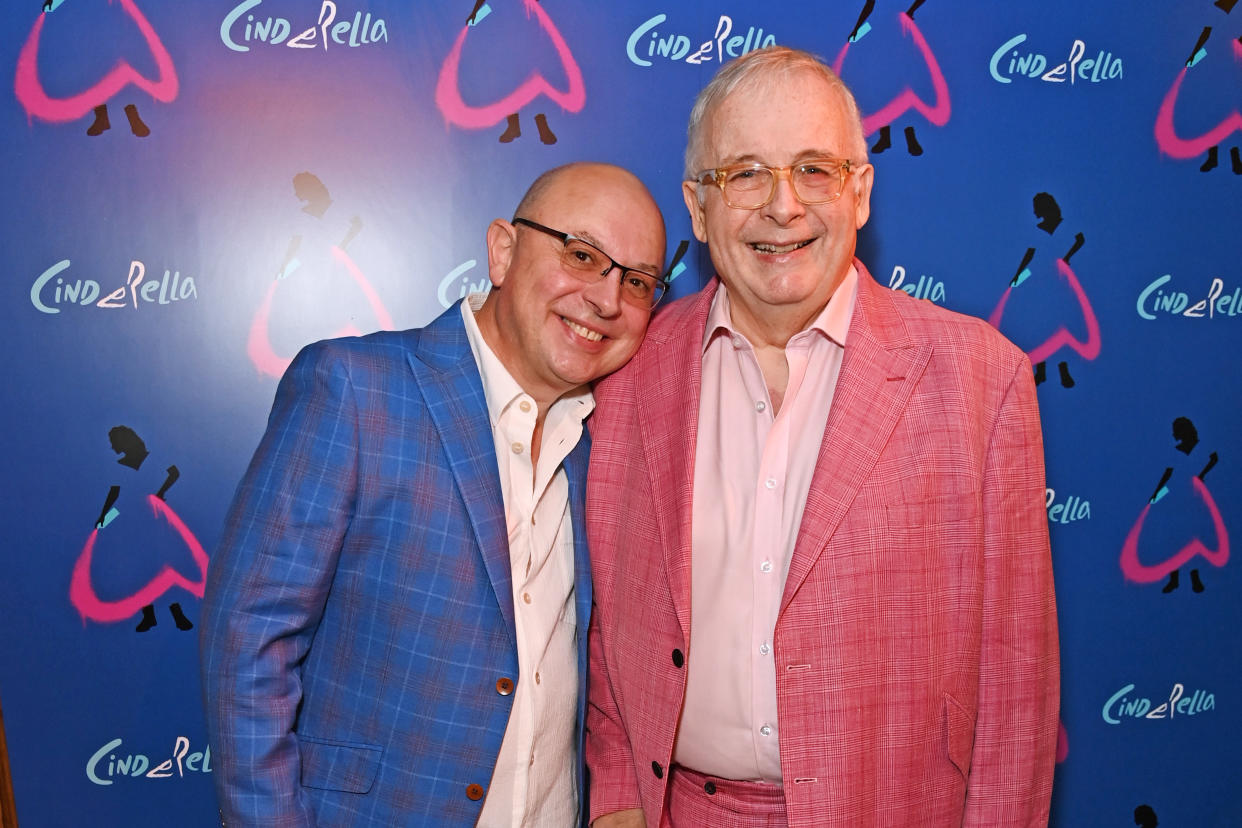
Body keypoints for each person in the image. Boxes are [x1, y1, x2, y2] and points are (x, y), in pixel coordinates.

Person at [586, 46, 1059, 827]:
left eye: (815, 169)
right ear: (698, 208)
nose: (783, 206)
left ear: (861, 191)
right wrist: (612, 804)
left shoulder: (982, 380)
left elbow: (1016, 687)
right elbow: (610, 625)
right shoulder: (630, 376)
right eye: (744, 173)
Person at [200, 161, 667, 826]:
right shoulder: (355, 390)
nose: (607, 298)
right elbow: (248, 641)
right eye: (583, 255)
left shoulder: (607, 444)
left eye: (639, 281)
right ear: (503, 250)